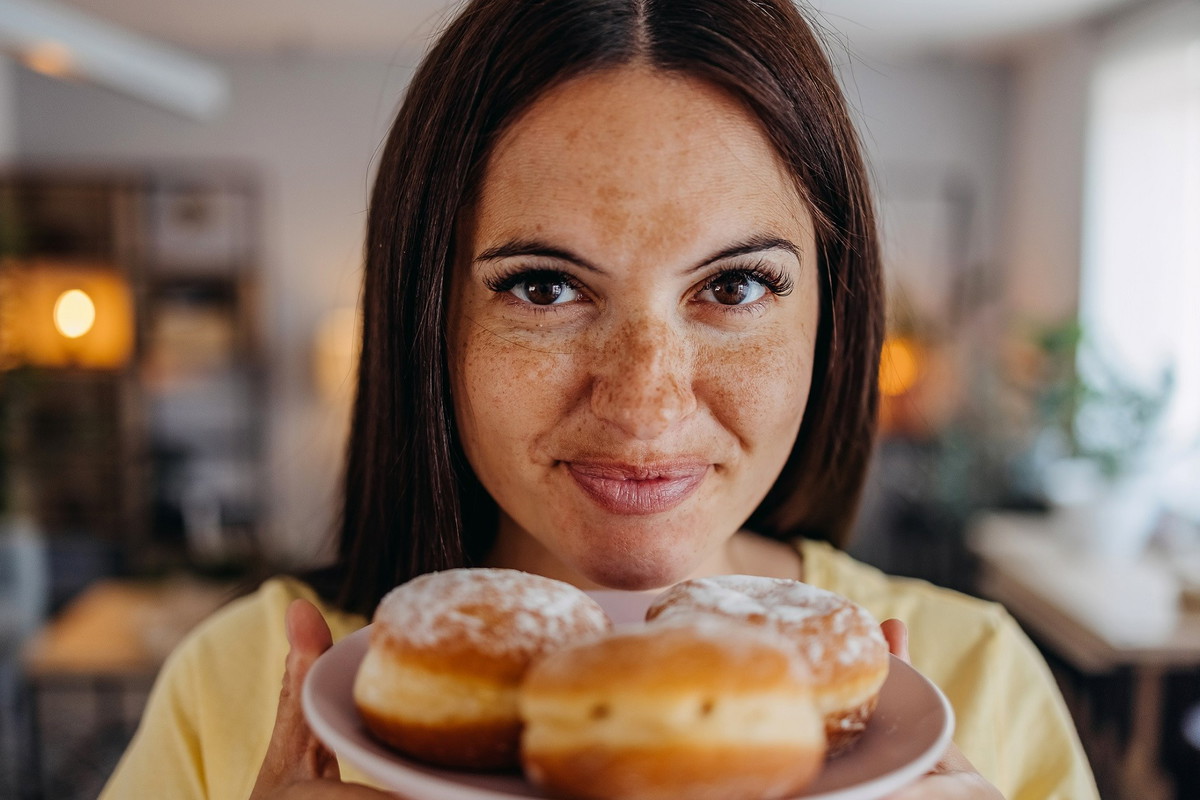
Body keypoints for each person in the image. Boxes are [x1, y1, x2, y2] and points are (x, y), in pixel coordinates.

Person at [100, 1, 1099, 799]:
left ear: (832, 314)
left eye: (735, 284)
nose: (645, 406)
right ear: (427, 315)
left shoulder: (976, 680)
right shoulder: (241, 685)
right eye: (543, 286)